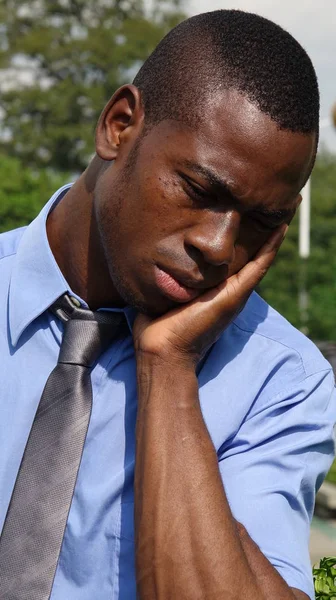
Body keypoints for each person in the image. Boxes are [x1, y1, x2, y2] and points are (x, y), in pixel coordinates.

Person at [0, 9, 335, 600]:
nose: (219, 246)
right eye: (201, 190)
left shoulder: (283, 382)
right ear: (119, 125)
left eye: (262, 222)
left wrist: (170, 370)